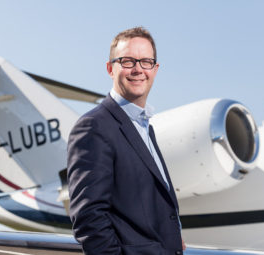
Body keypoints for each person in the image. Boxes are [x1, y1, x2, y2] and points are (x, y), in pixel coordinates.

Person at [67, 27, 185, 255]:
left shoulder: (145, 128)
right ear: (111, 68)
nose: (138, 69)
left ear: (156, 69)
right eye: (128, 61)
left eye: (146, 62)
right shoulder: (94, 126)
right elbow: (89, 219)